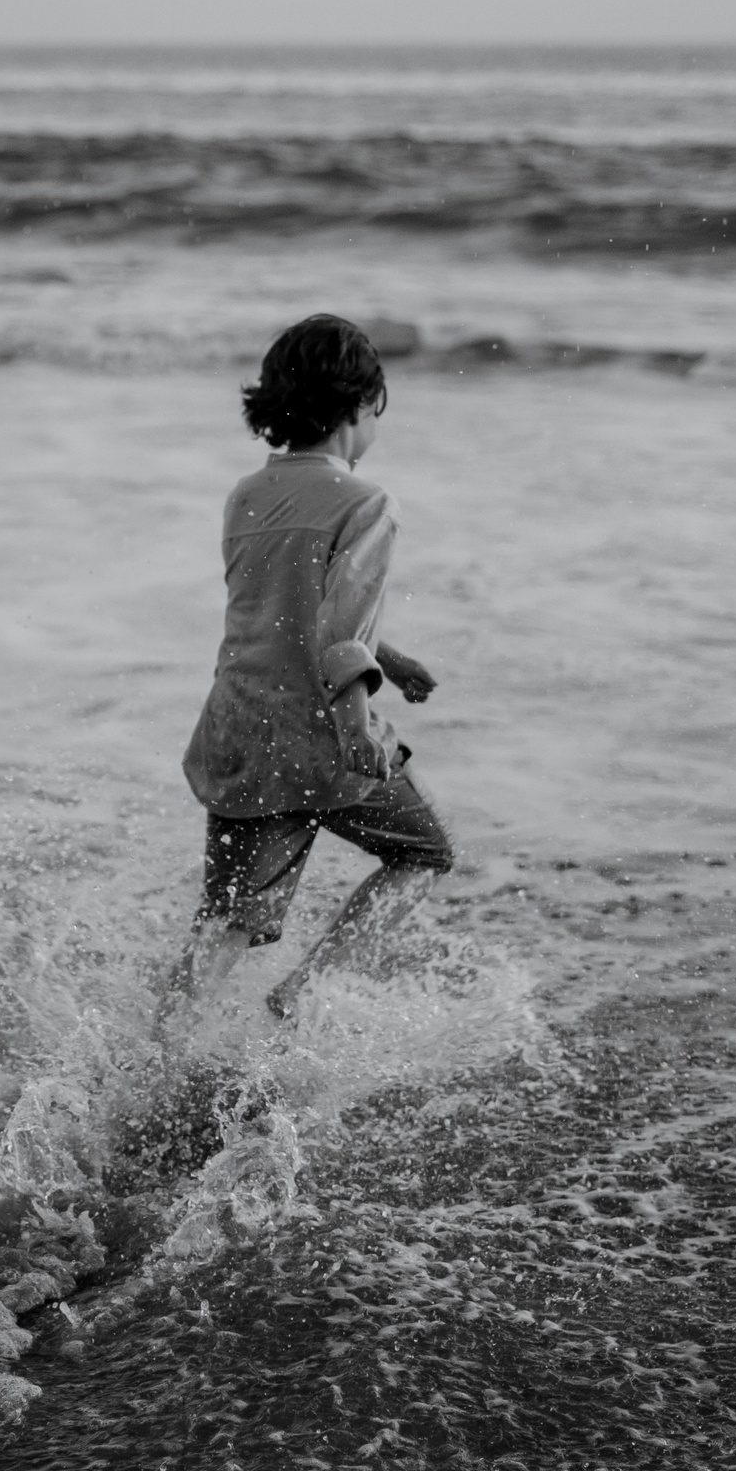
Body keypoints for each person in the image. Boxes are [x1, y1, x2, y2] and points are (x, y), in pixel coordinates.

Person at [173, 313, 454, 1019]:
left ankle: (153, 1052)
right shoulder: (367, 502)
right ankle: (302, 992)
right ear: (360, 408)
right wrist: (358, 721)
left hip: (239, 727)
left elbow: (287, 614)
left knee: (228, 924)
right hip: (321, 732)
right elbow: (335, 629)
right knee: (424, 853)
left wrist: (386, 655)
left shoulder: (247, 495)